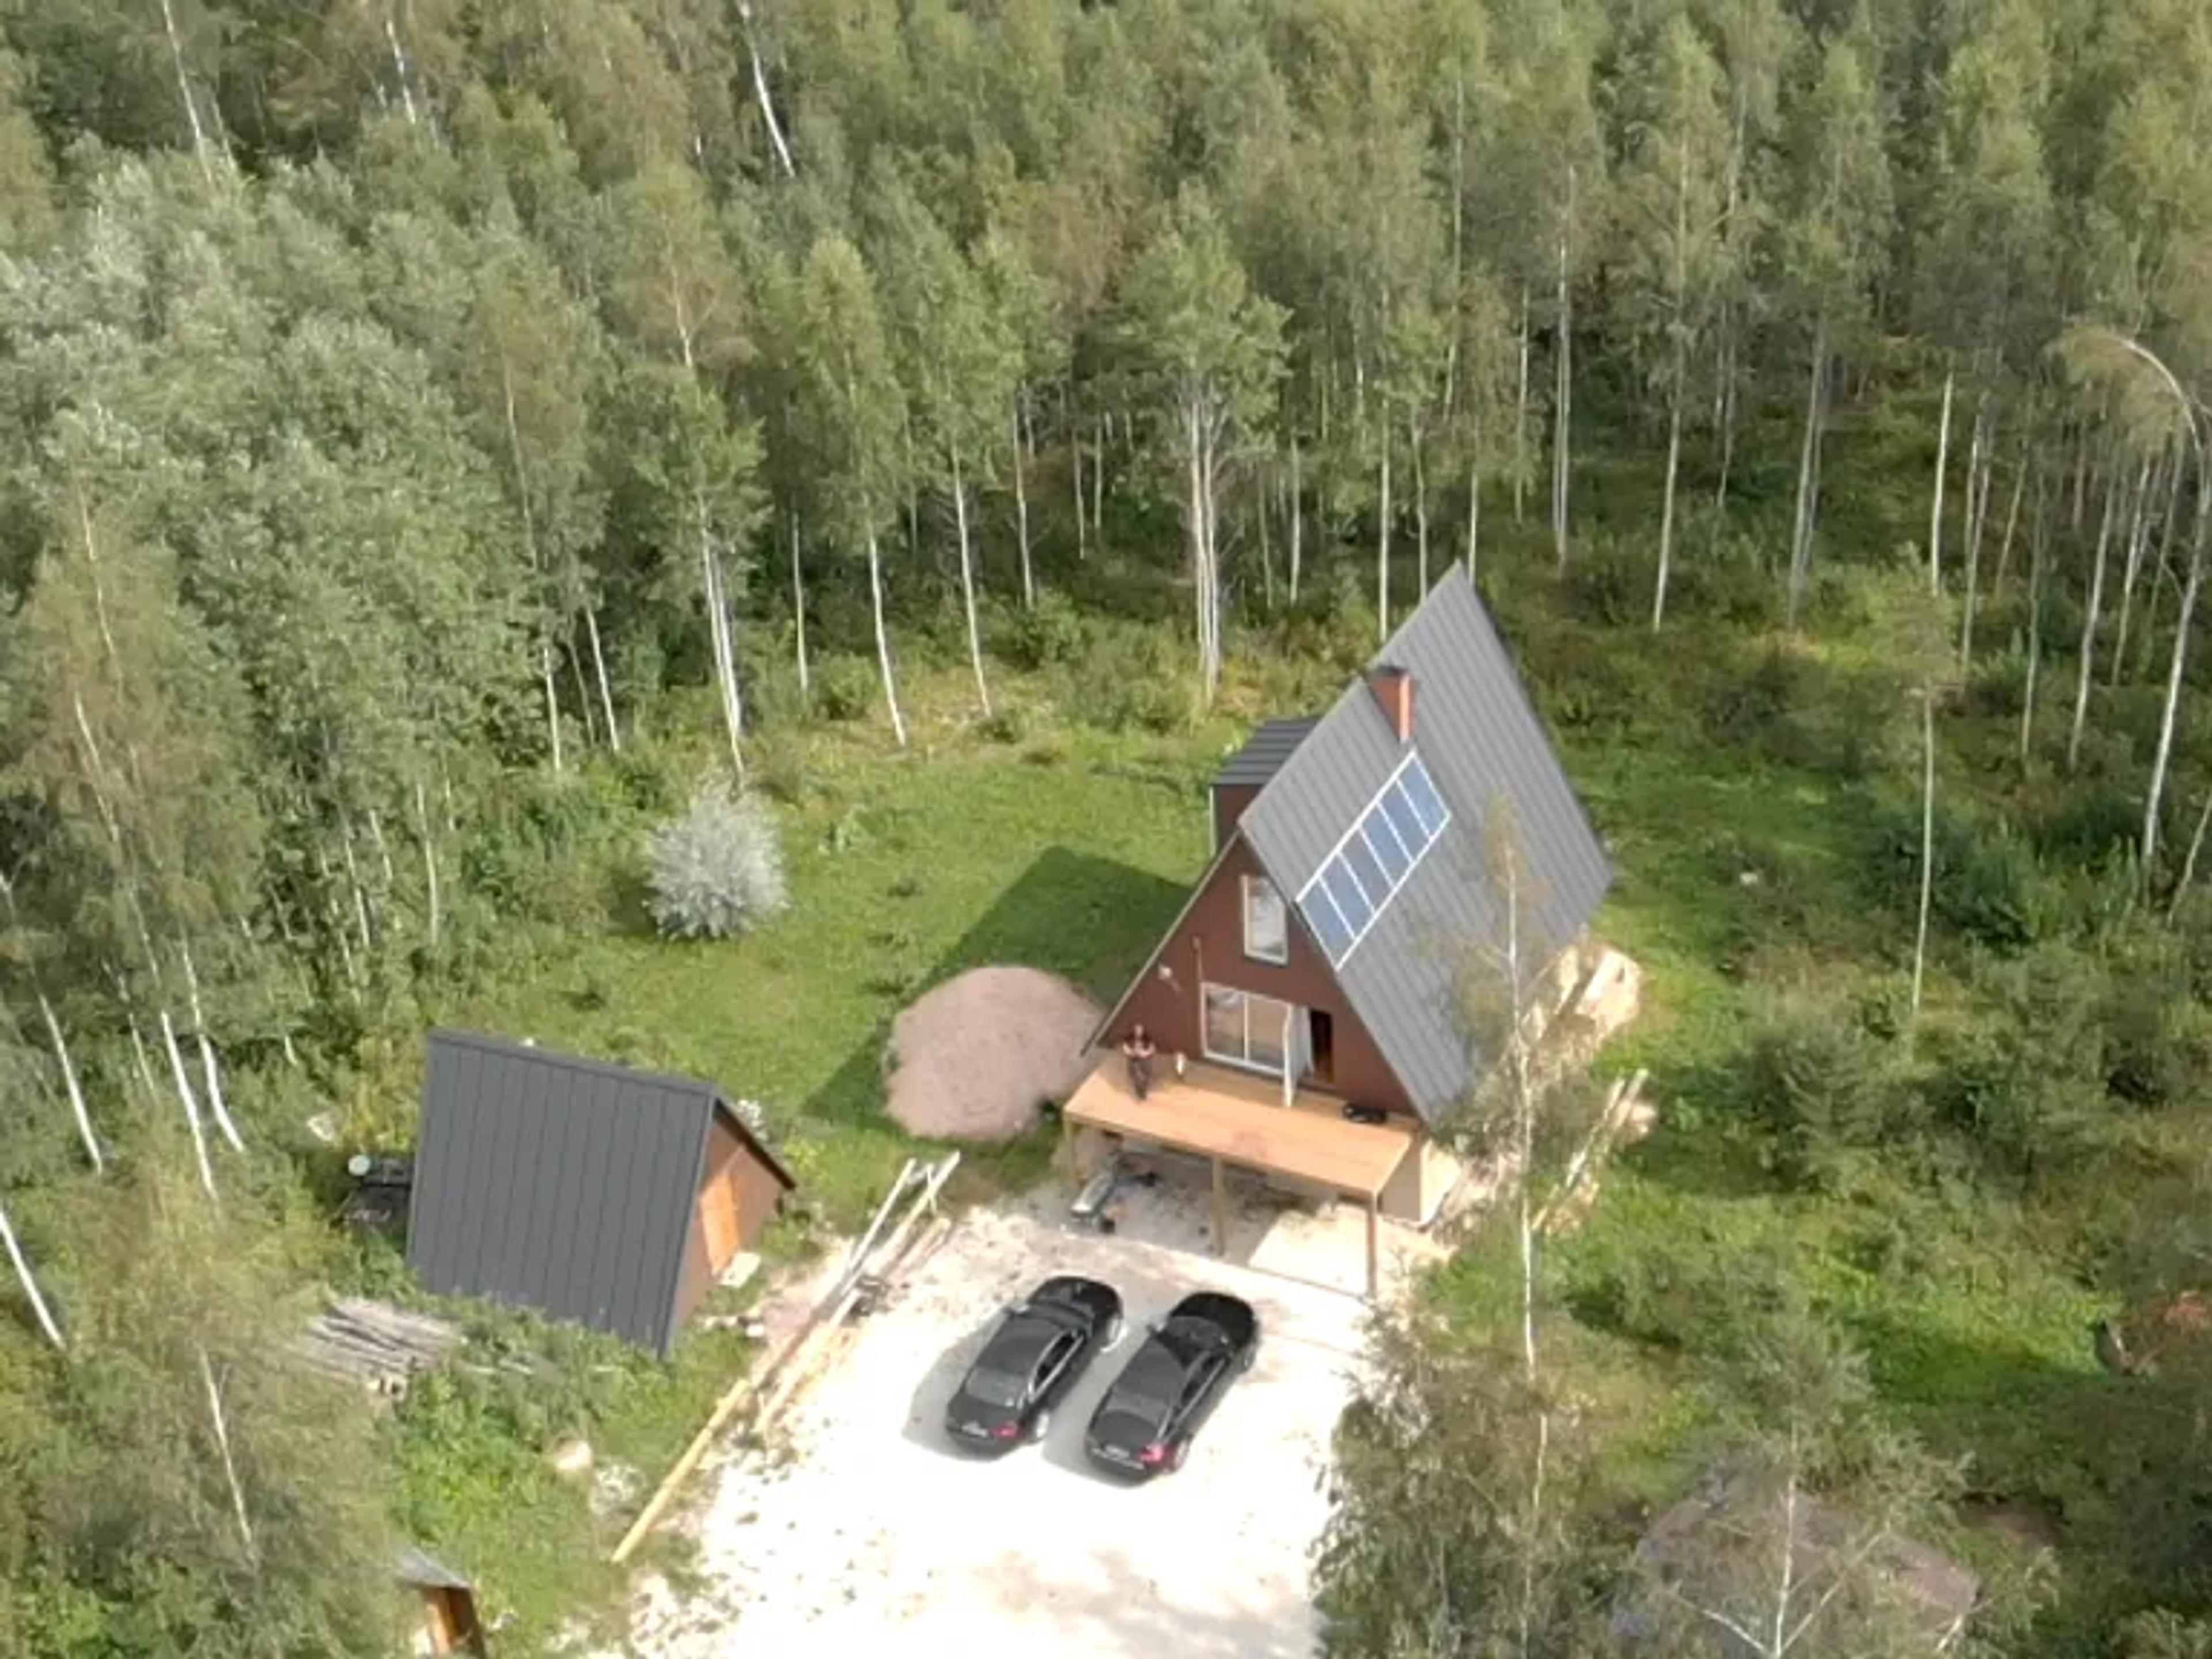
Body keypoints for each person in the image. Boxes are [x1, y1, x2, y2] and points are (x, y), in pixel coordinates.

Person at [1120, 1022, 1158, 1100]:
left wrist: (1145, 1053)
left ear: (1143, 1031)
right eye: (1137, 1030)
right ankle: (1140, 1091)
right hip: (1133, 1059)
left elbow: (1152, 1049)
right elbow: (1125, 1048)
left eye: (1140, 1030)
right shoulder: (1129, 1038)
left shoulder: (1148, 1038)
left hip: (1144, 1058)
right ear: (1134, 1030)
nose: (1138, 1032)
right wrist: (1132, 1052)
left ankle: (1143, 1089)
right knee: (1136, 1076)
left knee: (1148, 1074)